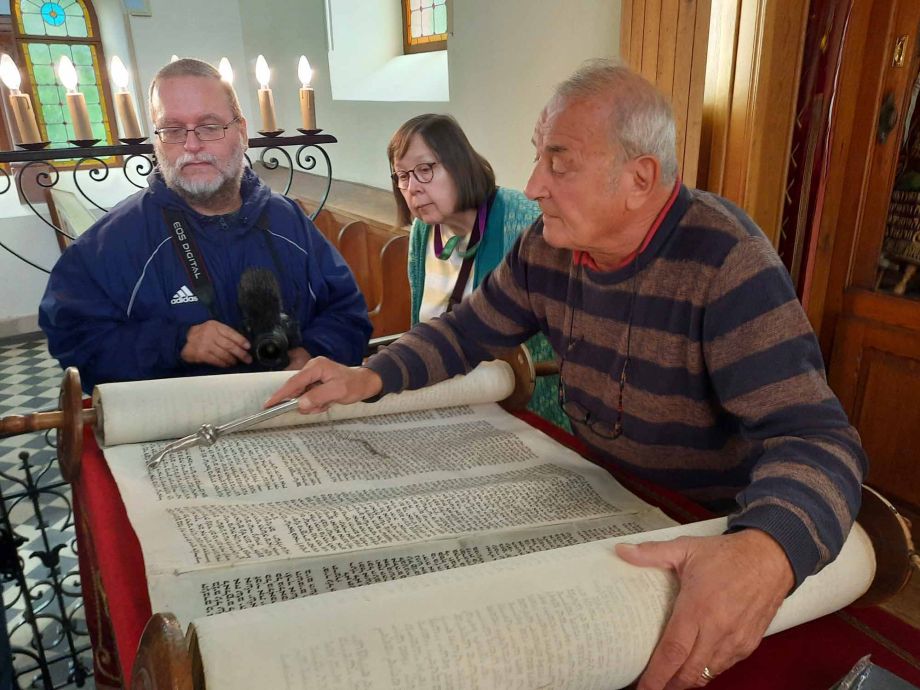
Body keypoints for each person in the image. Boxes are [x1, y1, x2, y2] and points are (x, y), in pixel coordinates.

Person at [268, 60, 866, 690]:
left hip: (699, 527)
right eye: (537, 157)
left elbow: (818, 438)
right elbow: (468, 332)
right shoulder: (550, 247)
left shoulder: (726, 261)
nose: (534, 184)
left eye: (560, 161)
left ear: (639, 179)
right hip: (597, 496)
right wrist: (371, 376)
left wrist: (764, 551)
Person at [38, 58, 371, 393]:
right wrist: (174, 343)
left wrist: (312, 352)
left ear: (241, 132)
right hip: (175, 434)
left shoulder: (289, 220)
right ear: (157, 140)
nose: (192, 145)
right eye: (173, 130)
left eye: (210, 126)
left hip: (292, 415)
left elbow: (348, 314)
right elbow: (74, 342)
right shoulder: (111, 241)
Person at [387, 113, 567, 429]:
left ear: (459, 165)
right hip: (444, 396)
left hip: (520, 403)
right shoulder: (421, 232)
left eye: (425, 169)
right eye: (402, 175)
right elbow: (422, 322)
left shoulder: (523, 220)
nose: (412, 187)